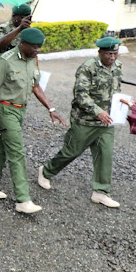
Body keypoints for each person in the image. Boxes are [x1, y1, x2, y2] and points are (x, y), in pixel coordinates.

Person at [38, 37, 133, 208]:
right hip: (85, 120)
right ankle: (46, 171)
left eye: (115, 54)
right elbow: (81, 95)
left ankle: (101, 192)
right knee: (71, 152)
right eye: (108, 54)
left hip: (107, 122)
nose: (112, 58)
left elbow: (115, 91)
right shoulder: (87, 68)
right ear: (99, 53)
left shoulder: (118, 67)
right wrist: (98, 111)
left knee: (105, 155)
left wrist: (124, 106)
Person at [0, 27, 66, 213]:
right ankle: (23, 199)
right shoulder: (6, 60)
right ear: (22, 43)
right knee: (17, 152)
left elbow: (35, 86)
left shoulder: (33, 60)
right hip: (5, 109)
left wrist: (51, 108)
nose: (38, 50)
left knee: (1, 147)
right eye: (34, 47)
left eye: (40, 47)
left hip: (20, 111)